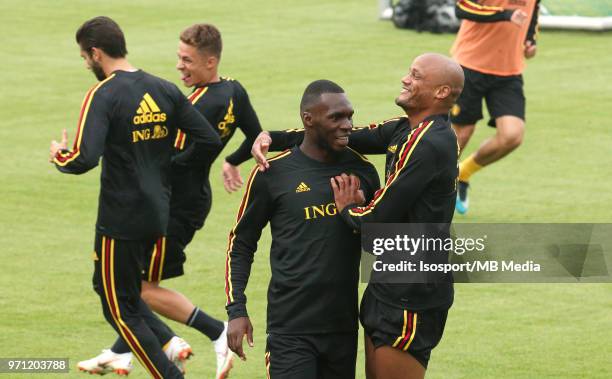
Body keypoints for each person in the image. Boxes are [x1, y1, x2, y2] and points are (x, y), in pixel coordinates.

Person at [251, 53, 464, 379]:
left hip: (413, 294)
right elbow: (342, 134)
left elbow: (375, 218)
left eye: (416, 76)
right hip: (388, 285)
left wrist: (349, 207)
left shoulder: (429, 144)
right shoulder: (404, 129)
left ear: (441, 93)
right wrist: (275, 137)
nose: (406, 80)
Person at [77, 23, 263, 378]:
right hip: (195, 200)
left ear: (210, 62)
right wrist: (232, 159)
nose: (179, 66)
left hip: (171, 203)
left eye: (187, 60)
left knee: (137, 289)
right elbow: (256, 135)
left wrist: (156, 166)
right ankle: (124, 352)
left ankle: (208, 334)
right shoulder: (234, 90)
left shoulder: (192, 102)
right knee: (132, 286)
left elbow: (171, 151)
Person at [49, 16, 222, 379]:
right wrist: (167, 169)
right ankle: (171, 343)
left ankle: (171, 372)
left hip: (120, 217)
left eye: (85, 58)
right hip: (158, 212)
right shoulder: (164, 88)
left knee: (119, 308)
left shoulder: (104, 94)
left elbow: (85, 157)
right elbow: (207, 139)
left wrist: (58, 155)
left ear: (96, 53)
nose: (86, 65)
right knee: (116, 290)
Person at [226, 80, 380, 378]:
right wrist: (237, 310)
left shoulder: (363, 172)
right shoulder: (274, 174)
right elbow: (241, 243)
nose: (347, 125)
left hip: (343, 328)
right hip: (290, 330)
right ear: (308, 119)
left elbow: (381, 247)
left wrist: (357, 212)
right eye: (336, 117)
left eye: (350, 116)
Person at [451, 0, 540, 214]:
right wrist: (504, 14)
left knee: (512, 136)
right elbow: (462, 7)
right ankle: (431, 192)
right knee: (460, 135)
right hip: (469, 65)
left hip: (509, 72)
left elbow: (532, 11)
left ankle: (463, 172)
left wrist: (530, 40)